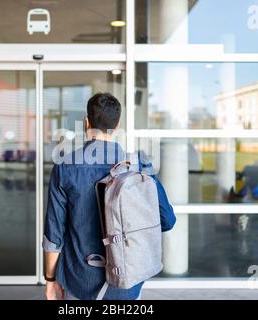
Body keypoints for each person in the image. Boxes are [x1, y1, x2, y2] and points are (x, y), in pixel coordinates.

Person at [42, 92, 176, 300]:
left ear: (86, 122)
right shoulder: (139, 167)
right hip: (127, 281)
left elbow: (54, 236)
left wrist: (50, 280)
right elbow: (167, 220)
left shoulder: (65, 167)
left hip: (79, 280)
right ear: (118, 126)